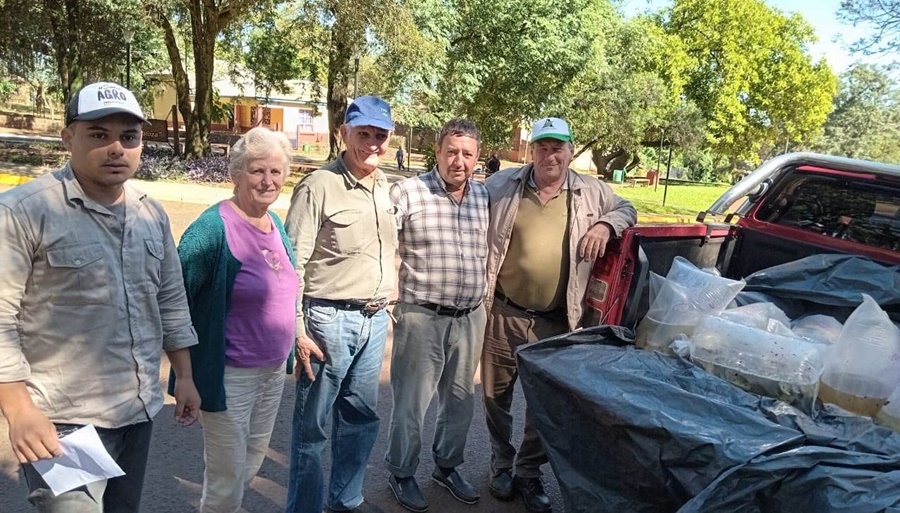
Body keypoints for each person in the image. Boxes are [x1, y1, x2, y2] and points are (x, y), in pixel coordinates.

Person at [0, 81, 201, 512]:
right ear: (68, 137)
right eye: (98, 134)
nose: (116, 148)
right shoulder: (23, 211)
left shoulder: (151, 212)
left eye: (128, 137)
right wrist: (19, 410)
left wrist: (183, 376)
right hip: (64, 421)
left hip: (137, 411)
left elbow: (170, 297)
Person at [481, 117, 637, 513]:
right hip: (504, 313)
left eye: (558, 147)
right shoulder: (503, 185)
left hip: (558, 320)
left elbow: (628, 208)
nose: (550, 155)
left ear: (570, 150)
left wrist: (605, 223)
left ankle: (528, 472)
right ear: (532, 150)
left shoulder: (590, 191)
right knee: (495, 397)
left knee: (545, 404)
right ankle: (501, 463)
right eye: (543, 147)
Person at [169, 127, 298, 513]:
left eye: (276, 172)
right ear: (237, 173)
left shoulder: (274, 221)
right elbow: (174, 303)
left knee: (252, 461)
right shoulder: (211, 231)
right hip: (229, 374)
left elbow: (286, 286)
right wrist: (186, 376)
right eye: (258, 171)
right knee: (227, 475)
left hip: (272, 370)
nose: (268, 181)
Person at [284, 95, 398, 513]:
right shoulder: (319, 186)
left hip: (374, 320)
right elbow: (291, 264)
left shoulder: (385, 185)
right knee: (311, 430)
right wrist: (297, 329)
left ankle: (345, 500)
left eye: (380, 135)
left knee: (361, 420)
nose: (372, 143)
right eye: (362, 133)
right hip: (327, 321)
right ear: (343, 134)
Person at [384, 118, 489, 512]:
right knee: (412, 402)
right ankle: (402, 472)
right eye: (451, 151)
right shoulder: (407, 193)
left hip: (470, 316)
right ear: (438, 152)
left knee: (460, 401)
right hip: (421, 316)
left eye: (466, 153)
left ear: (477, 158)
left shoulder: (484, 197)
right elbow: (377, 242)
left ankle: (446, 467)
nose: (458, 161)